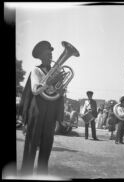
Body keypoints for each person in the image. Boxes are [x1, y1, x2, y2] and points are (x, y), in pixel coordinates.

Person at [19, 41, 65, 176]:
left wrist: (61, 90)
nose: (51, 54)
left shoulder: (55, 72)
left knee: (46, 147)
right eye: (48, 52)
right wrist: (49, 82)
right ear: (41, 55)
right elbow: (35, 90)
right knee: (31, 146)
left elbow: (58, 94)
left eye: (51, 52)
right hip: (37, 111)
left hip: (50, 112)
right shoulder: (36, 70)